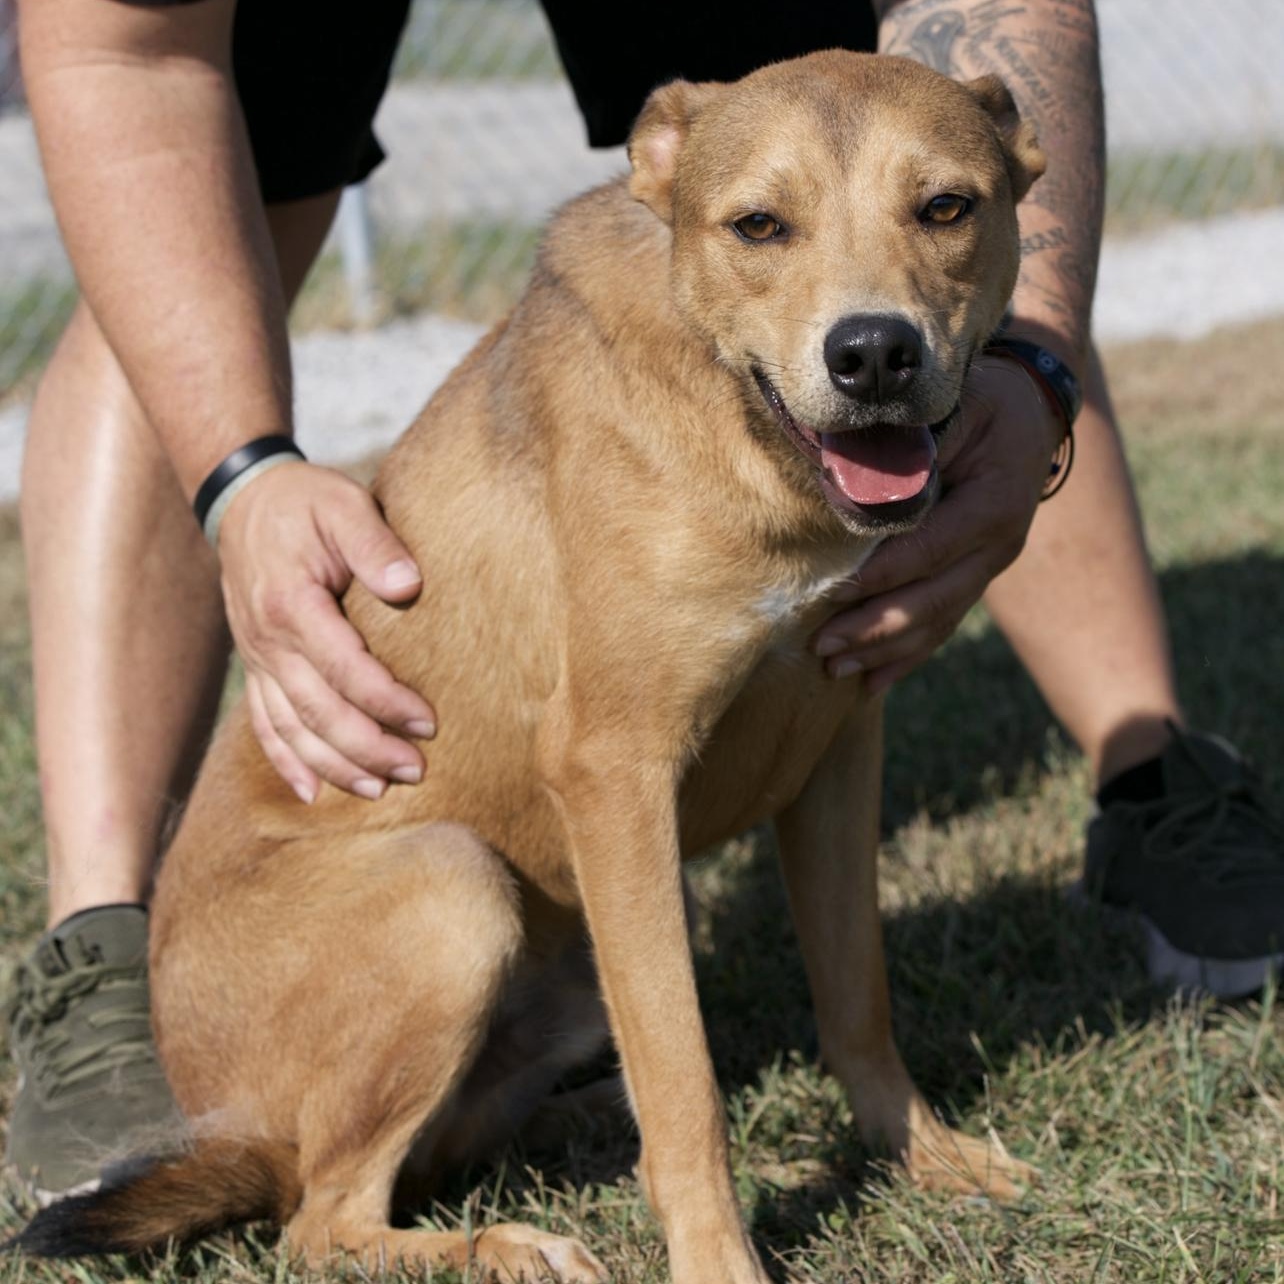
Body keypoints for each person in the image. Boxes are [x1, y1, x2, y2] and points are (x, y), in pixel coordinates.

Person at [6, 0, 1281, 1204]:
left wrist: (1037, 363)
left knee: (849, 621)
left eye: (942, 208)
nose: (868, 318)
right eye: (763, 228)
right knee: (243, 196)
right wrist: (240, 477)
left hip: (513, 943)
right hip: (346, 919)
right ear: (659, 167)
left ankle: (1148, 772)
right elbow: (127, 56)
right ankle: (105, 953)